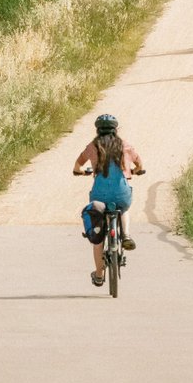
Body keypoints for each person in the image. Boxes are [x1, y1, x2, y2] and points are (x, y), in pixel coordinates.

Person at [73, 113, 144, 287]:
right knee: (124, 208)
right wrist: (134, 172)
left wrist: (81, 172)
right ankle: (126, 235)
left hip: (99, 196)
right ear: (116, 129)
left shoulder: (92, 146)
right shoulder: (125, 146)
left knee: (98, 238)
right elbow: (140, 165)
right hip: (121, 194)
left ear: (97, 130)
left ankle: (99, 274)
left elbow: (77, 165)